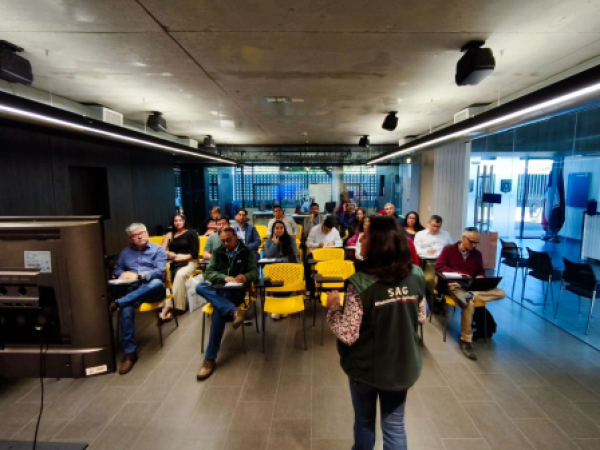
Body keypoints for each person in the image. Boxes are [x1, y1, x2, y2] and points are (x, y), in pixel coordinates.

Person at [326, 216, 426, 450]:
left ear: (380, 243)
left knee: (364, 424)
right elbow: (421, 316)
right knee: (395, 427)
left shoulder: (360, 283)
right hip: (401, 365)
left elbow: (348, 334)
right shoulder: (416, 275)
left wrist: (333, 308)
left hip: (367, 368)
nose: (361, 239)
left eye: (367, 235)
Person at [196, 227, 258, 380]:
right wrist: (223, 277)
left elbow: (255, 272)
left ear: (235, 236)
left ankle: (209, 359)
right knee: (200, 286)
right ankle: (233, 310)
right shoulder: (218, 252)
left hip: (235, 291)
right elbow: (209, 273)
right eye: (222, 241)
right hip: (219, 289)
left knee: (218, 312)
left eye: (228, 240)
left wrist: (245, 277)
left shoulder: (246, 251)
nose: (225, 244)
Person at [435, 227, 505, 361]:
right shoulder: (449, 249)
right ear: (463, 238)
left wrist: (480, 276)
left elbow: (481, 271)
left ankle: (472, 295)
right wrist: (459, 274)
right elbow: (439, 267)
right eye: (471, 242)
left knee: (501, 292)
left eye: (476, 243)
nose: (474, 245)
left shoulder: (477, 254)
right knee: (468, 304)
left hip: (472, 287)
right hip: (454, 285)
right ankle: (466, 340)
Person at [110, 223, 167, 375]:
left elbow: (159, 272)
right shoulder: (125, 252)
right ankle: (130, 353)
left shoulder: (158, 250)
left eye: (142, 233)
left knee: (156, 283)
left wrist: (138, 275)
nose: (140, 236)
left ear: (147, 233)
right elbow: (117, 269)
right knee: (126, 309)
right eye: (135, 235)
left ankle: (117, 303)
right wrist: (122, 275)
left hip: (153, 289)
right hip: (132, 289)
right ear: (131, 239)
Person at [160, 214, 199, 319]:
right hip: (173, 261)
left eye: (180, 220)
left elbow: (195, 253)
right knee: (165, 274)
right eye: (175, 221)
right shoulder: (170, 235)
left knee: (180, 275)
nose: (178, 223)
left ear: (184, 221)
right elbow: (161, 251)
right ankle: (169, 307)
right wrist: (170, 254)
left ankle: (167, 309)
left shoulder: (191, 233)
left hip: (189, 261)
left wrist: (181, 258)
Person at [414, 215, 453, 304]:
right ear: (428, 224)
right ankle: (434, 299)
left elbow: (451, 249)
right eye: (433, 226)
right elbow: (417, 250)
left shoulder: (446, 235)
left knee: (449, 279)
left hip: (442, 262)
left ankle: (442, 297)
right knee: (429, 279)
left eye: (438, 227)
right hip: (428, 262)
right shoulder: (420, 234)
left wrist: (442, 253)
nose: (435, 229)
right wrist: (426, 252)